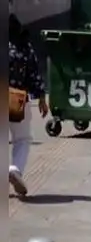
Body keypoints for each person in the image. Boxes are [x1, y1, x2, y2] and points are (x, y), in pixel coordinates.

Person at [9, 14, 48, 196]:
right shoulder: (24, 47)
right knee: (22, 139)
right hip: (17, 98)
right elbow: (34, 74)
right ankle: (14, 169)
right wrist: (41, 96)